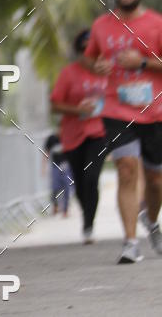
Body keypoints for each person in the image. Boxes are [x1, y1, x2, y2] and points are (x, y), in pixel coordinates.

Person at [83, 0, 162, 264]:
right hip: (117, 109)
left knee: (155, 180)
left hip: (155, 111)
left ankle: (151, 222)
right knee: (127, 169)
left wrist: (142, 63)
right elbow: (91, 59)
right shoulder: (102, 26)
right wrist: (97, 67)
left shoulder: (156, 24)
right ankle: (130, 242)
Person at [50, 29, 107, 243]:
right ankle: (87, 214)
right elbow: (55, 105)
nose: (91, 56)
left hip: (100, 133)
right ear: (80, 52)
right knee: (81, 182)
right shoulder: (69, 74)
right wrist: (78, 110)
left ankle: (89, 226)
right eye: (87, 52)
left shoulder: (108, 72)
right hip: (73, 136)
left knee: (92, 178)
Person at [44, 132, 72, 218]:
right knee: (54, 187)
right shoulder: (51, 139)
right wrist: (44, 166)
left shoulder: (68, 137)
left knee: (66, 188)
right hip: (55, 166)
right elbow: (46, 152)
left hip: (66, 166)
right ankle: (55, 206)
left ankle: (65, 210)